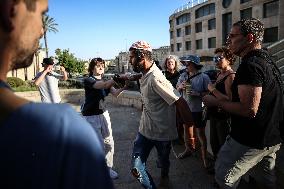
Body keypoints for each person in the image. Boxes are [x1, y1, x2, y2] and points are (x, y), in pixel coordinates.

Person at [0, 1, 113, 188]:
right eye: (41, 15)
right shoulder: (64, 130)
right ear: (9, 8)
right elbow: (36, 83)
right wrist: (46, 70)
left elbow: (65, 77)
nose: (42, 30)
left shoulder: (53, 79)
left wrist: (59, 69)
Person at [203, 18, 284, 189]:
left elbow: (248, 109)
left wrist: (214, 100)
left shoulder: (250, 65)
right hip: (271, 138)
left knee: (224, 176)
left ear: (250, 38)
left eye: (232, 36)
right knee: (265, 181)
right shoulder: (268, 61)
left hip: (249, 140)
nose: (228, 41)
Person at [128, 41, 194, 189]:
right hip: (144, 131)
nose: (130, 60)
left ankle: (165, 176)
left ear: (141, 57)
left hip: (162, 133)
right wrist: (129, 77)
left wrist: (190, 137)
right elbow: (142, 75)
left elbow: (181, 103)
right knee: (136, 169)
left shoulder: (156, 78)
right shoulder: (146, 73)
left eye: (132, 57)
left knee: (163, 161)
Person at [81, 57, 127, 179]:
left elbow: (116, 93)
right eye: (98, 65)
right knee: (97, 145)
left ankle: (108, 169)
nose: (101, 67)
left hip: (103, 114)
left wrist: (125, 85)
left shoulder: (106, 81)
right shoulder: (88, 80)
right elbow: (103, 85)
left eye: (102, 65)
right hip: (91, 116)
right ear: (92, 68)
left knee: (109, 143)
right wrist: (118, 78)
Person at [176, 55, 211, 169]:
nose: (186, 66)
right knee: (187, 130)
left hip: (198, 109)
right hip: (186, 108)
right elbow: (176, 90)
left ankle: (204, 157)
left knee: (200, 133)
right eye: (185, 63)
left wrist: (198, 94)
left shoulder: (204, 77)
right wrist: (180, 87)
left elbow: (210, 93)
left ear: (194, 65)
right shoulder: (183, 76)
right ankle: (188, 149)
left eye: (188, 63)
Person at [207, 47, 236, 161]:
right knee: (214, 145)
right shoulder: (220, 74)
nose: (216, 60)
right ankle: (217, 169)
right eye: (215, 58)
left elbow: (230, 100)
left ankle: (224, 175)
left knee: (223, 147)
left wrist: (213, 90)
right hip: (215, 115)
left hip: (224, 118)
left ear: (228, 59)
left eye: (220, 58)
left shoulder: (231, 75)